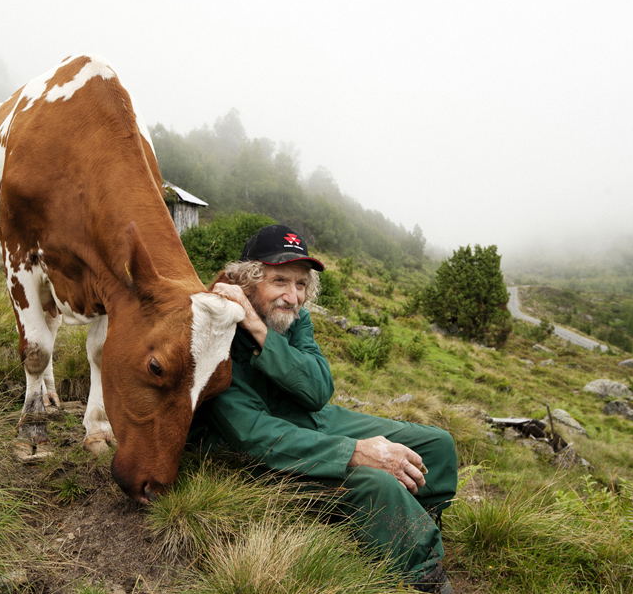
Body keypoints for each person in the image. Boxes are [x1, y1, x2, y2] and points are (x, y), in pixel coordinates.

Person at [190, 224, 458, 594]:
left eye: (301, 284)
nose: (293, 295)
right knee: (375, 483)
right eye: (280, 280)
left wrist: (262, 332)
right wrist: (354, 452)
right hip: (256, 453)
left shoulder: (291, 317)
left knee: (437, 444)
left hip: (313, 420)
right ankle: (422, 574)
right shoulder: (217, 329)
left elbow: (317, 390)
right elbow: (252, 436)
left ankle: (414, 520)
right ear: (247, 282)